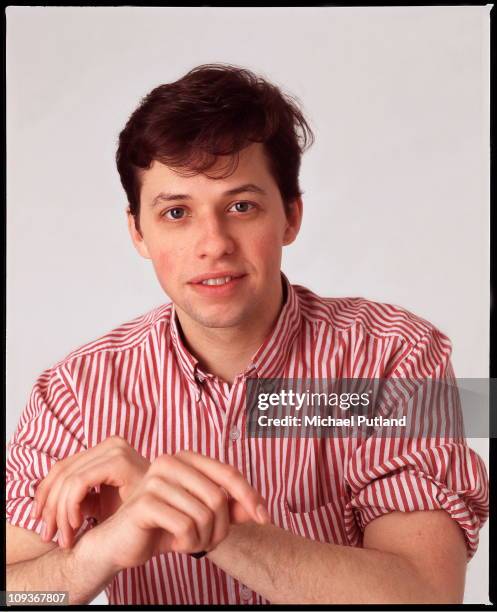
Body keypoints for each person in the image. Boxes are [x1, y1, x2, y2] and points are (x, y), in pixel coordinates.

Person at [6, 64, 488, 605]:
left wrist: (208, 528)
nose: (213, 243)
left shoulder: (401, 356)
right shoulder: (71, 394)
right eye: (176, 212)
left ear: (291, 216)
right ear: (137, 231)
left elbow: (428, 596)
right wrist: (98, 553)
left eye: (241, 206)